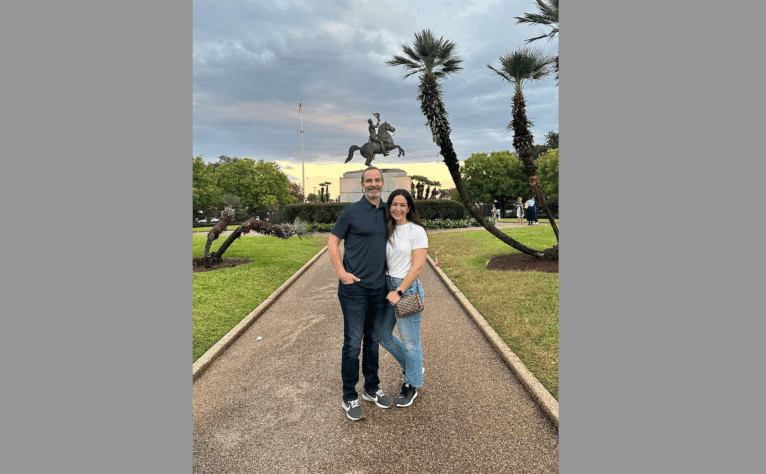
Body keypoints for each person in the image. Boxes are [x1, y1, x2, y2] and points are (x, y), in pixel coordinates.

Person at [329, 166, 393, 421]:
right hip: (353, 289)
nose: (373, 184)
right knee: (353, 344)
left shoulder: (389, 212)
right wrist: (341, 273)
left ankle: (371, 388)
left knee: (373, 340)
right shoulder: (351, 211)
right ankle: (349, 396)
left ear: (383, 183)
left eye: (377, 180)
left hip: (379, 288)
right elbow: (333, 242)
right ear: (362, 184)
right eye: (369, 181)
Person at [380, 189, 428, 408]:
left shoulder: (416, 231)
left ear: (409, 208)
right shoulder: (387, 229)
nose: (398, 209)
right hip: (386, 286)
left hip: (405, 290)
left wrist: (398, 291)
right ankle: (414, 369)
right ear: (389, 206)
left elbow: (418, 266)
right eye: (394, 204)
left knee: (410, 343)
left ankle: (412, 383)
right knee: (382, 335)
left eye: (402, 205)